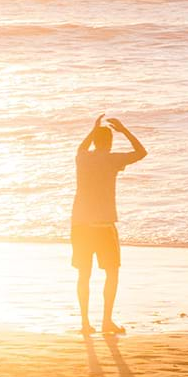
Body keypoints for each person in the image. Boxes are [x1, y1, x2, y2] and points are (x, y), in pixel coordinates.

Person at [71, 114, 147, 336]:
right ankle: (106, 321)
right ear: (110, 142)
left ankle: (85, 323)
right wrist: (124, 130)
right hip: (103, 226)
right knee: (111, 273)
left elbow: (80, 148)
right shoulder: (113, 160)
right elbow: (142, 152)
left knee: (83, 274)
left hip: (81, 224)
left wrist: (92, 130)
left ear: (94, 141)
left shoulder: (83, 158)